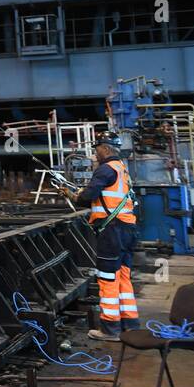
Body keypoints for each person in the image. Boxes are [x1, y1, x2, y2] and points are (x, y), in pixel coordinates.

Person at [69, 132, 138, 341]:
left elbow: (87, 197)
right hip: (127, 229)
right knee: (123, 276)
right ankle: (130, 324)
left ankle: (110, 329)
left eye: (96, 148)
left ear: (105, 148)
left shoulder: (105, 169)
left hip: (112, 232)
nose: (94, 152)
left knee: (107, 277)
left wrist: (72, 194)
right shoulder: (122, 169)